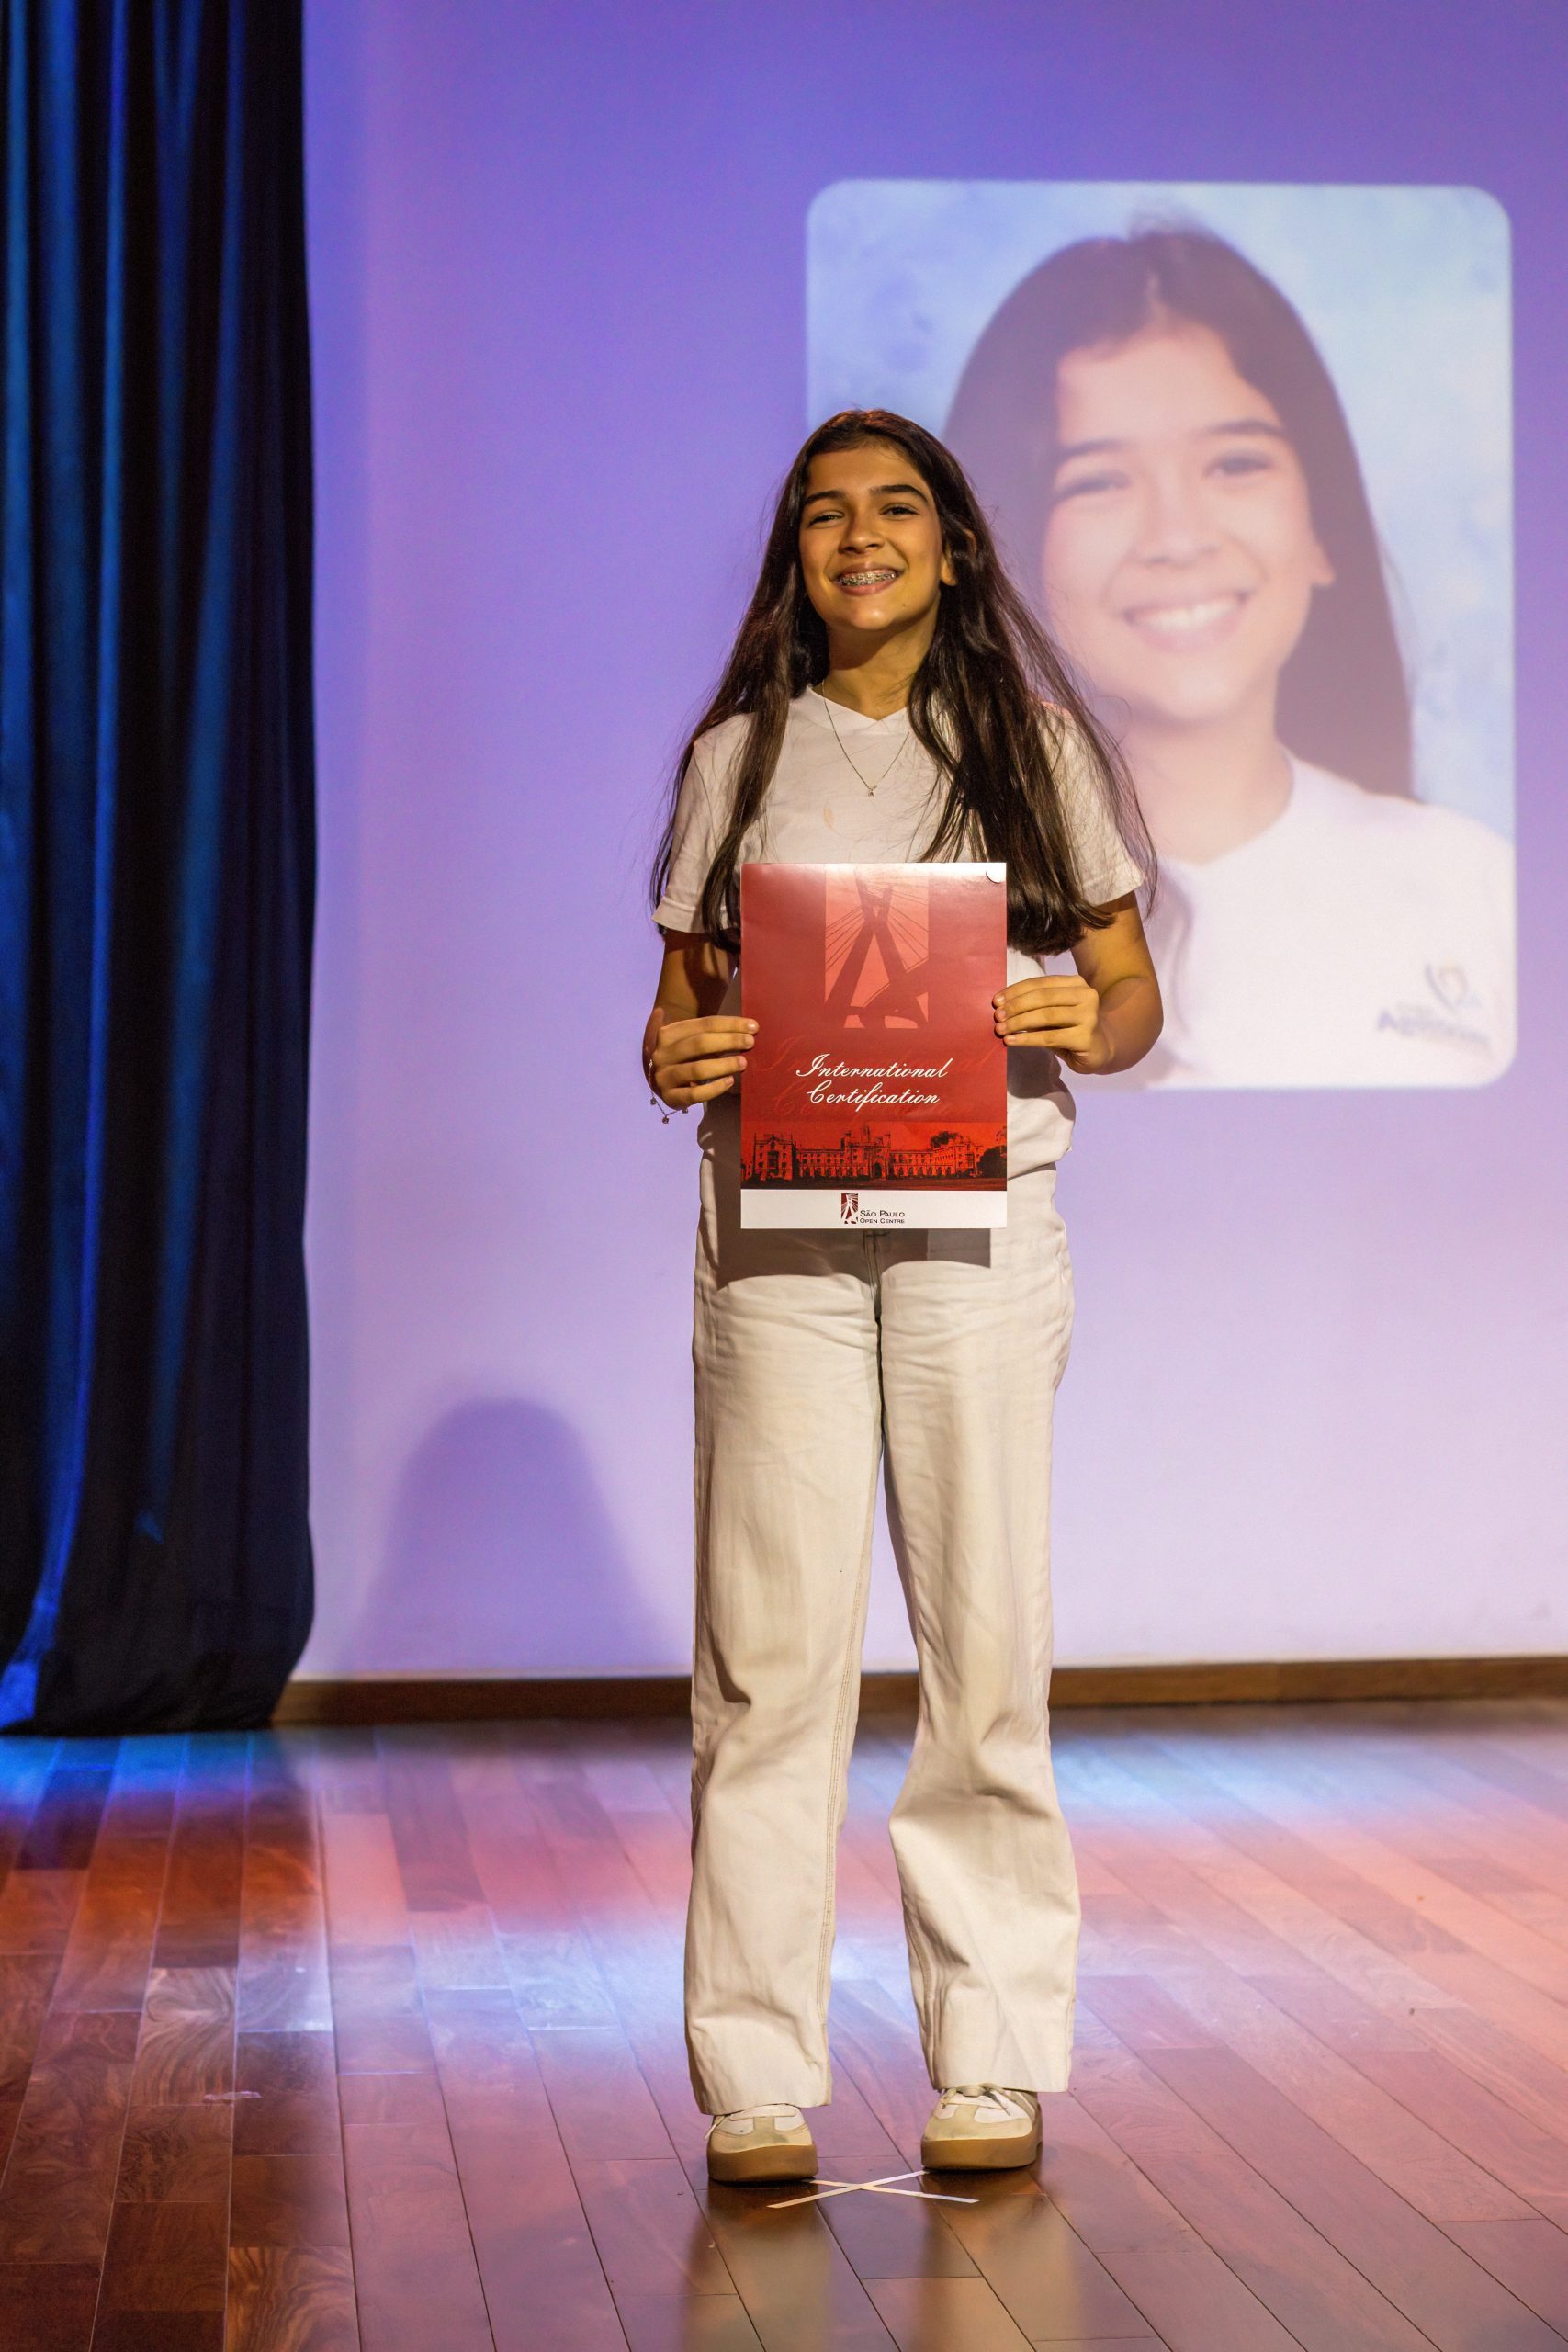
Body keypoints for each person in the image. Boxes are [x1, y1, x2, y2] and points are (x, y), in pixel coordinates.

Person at [643, 410, 1160, 2184]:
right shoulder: (734, 759)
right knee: (766, 1660)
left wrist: (1087, 1019)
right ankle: (754, 2072)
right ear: (793, 556)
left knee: (983, 1644)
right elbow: (674, 1014)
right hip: (776, 1237)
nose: (857, 537)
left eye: (894, 509)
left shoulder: (1029, 748)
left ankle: (991, 2054)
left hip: (977, 1230)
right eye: (823, 515)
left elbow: (1129, 992)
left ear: (953, 546)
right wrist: (677, 1054)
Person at [945, 226, 1515, 1087]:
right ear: (1006, 556)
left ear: (1321, 528)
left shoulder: (1473, 888)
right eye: (1099, 481)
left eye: (1235, 464)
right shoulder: (919, 899)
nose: (1177, 538)